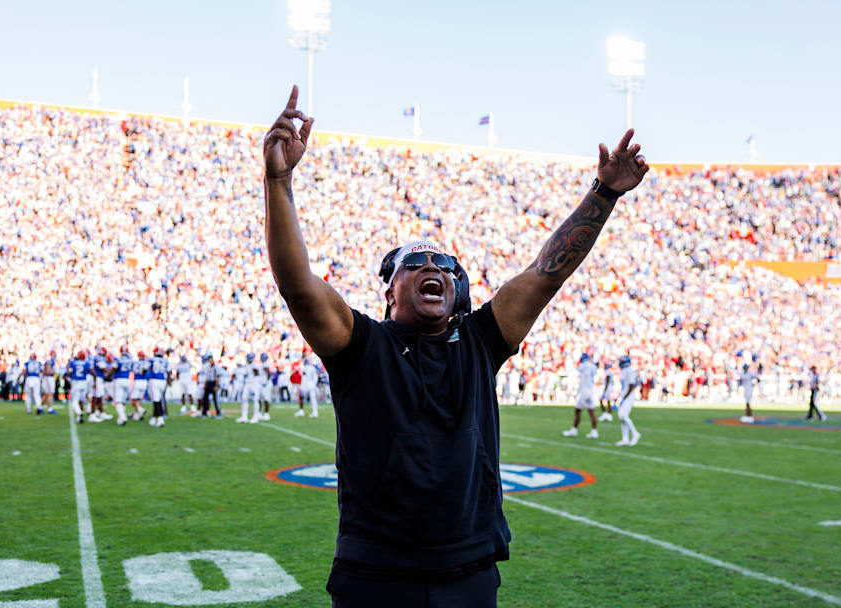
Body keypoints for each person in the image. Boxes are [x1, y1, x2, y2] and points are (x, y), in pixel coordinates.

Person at [263, 85, 649, 606]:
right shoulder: (362, 344)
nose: (433, 269)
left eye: (445, 265)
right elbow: (297, 284)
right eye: (416, 264)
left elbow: (545, 274)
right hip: (375, 572)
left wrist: (603, 194)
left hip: (468, 568)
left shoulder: (480, 341)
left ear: (457, 289)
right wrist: (279, 179)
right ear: (390, 291)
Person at [562, 353, 599, 439]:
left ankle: (574, 430)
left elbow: (575, 371)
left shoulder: (582, 366)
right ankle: (594, 431)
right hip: (592, 390)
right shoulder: (593, 366)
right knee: (592, 411)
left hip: (584, 390)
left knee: (577, 411)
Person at [614, 355, 641, 446]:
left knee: (623, 415)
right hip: (624, 395)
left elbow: (631, 386)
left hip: (628, 396)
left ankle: (635, 433)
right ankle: (625, 439)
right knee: (621, 417)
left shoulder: (629, 371)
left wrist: (624, 397)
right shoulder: (624, 371)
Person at [66, 350, 92, 423]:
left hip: (76, 382)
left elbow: (68, 369)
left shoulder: (73, 362)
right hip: (84, 383)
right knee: (81, 400)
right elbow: (91, 371)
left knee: (74, 401)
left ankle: (80, 413)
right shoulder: (86, 363)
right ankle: (80, 414)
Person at [147, 347, 169, 427]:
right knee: (157, 400)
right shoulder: (165, 360)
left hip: (154, 380)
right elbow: (168, 371)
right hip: (163, 381)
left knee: (156, 401)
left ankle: (160, 419)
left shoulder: (151, 359)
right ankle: (153, 419)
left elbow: (145, 368)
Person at [294, 354, 319, 418]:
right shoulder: (312, 368)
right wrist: (314, 384)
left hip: (305, 385)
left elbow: (303, 378)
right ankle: (315, 412)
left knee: (301, 397)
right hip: (311, 384)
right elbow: (316, 376)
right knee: (313, 399)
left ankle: (301, 411)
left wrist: (301, 386)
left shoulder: (304, 368)